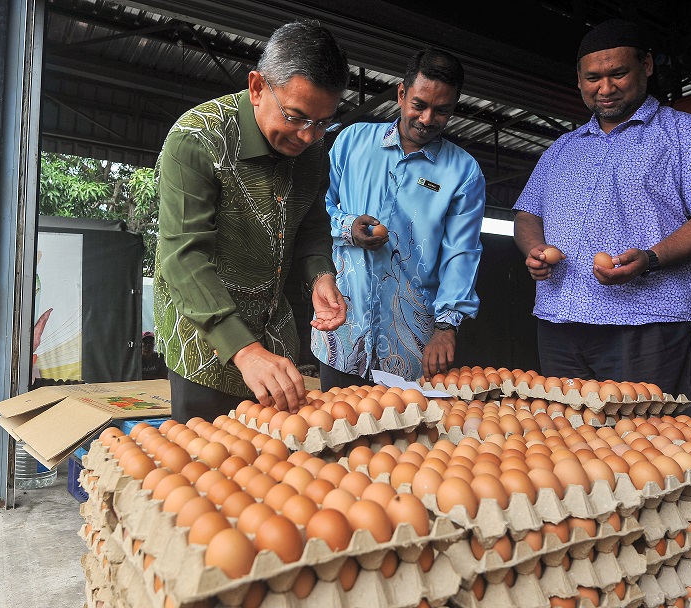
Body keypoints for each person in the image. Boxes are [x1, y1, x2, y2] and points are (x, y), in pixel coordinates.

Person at [512, 19, 691, 418]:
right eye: (593, 78)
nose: (605, 87)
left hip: (648, 325)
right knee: (570, 447)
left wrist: (650, 258)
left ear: (646, 65)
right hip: (561, 323)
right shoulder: (562, 149)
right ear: (579, 81)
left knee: (655, 449)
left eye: (618, 73)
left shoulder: (688, 134)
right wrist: (535, 248)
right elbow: (528, 212)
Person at [154, 20, 349, 422]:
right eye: (296, 117)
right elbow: (184, 258)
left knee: (276, 468)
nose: (308, 136)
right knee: (206, 467)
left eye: (323, 122)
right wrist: (243, 350)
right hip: (205, 342)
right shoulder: (197, 140)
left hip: (274, 339)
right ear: (258, 87)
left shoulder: (312, 150)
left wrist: (320, 276)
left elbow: (312, 227)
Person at [311, 48, 486, 389]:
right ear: (402, 93)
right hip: (341, 334)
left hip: (411, 350)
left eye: (442, 110)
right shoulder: (351, 142)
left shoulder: (463, 172)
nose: (427, 119)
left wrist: (446, 328)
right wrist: (348, 228)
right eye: (419, 105)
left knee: (405, 441)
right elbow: (316, 211)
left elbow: (461, 254)